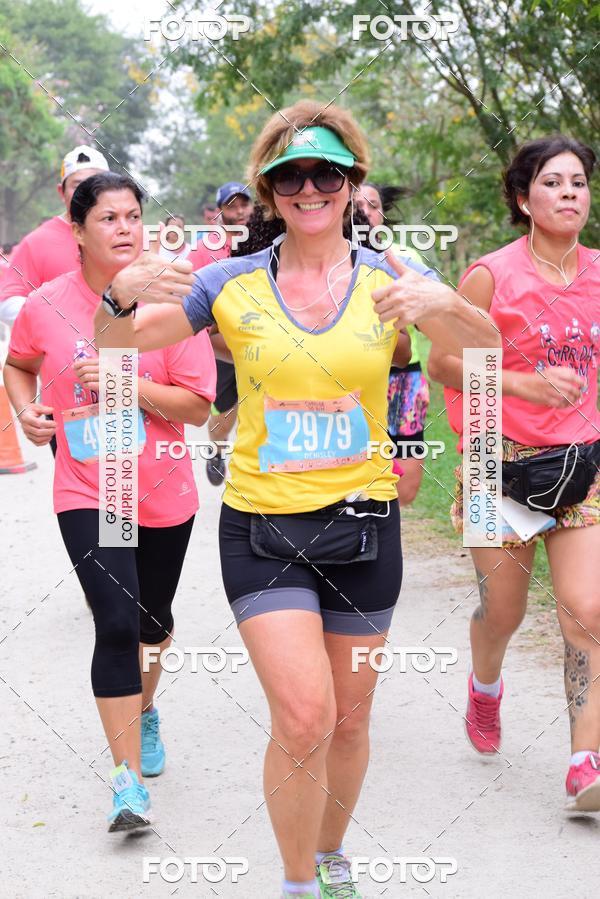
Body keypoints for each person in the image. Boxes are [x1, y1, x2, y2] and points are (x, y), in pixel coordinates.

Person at [93, 100, 498, 897]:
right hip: (263, 530)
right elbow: (116, 350)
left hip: (366, 528)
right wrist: (117, 297)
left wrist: (446, 305)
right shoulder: (229, 282)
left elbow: (482, 352)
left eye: (326, 173)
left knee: (348, 722)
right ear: (270, 191)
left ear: (352, 184)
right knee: (306, 715)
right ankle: (295, 881)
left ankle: (330, 851)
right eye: (289, 176)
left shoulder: (393, 278)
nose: (309, 188)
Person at [3, 172, 216, 832]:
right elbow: (19, 363)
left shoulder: (174, 305)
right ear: (77, 231)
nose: (125, 228)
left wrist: (129, 383)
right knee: (117, 622)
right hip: (89, 485)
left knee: (153, 622)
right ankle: (127, 783)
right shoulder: (45, 303)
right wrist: (27, 411)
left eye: (133, 216)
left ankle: (145, 709)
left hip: (162, 487)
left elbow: (199, 403)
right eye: (109, 218)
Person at [428, 135, 600, 812]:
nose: (568, 193)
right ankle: (486, 684)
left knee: (587, 611)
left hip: (582, 468)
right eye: (552, 183)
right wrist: (524, 386)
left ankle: (586, 760)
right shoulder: (490, 276)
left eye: (579, 182)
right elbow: (441, 365)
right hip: (495, 466)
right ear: (523, 198)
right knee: (503, 611)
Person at [357, 182, 431, 505]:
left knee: (406, 489)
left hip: (403, 379)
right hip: (350, 379)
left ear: (383, 214)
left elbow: (435, 312)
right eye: (356, 205)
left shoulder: (404, 257)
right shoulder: (327, 259)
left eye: (372, 205)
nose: (365, 212)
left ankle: (386, 547)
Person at [188, 182, 254, 486]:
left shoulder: (267, 239)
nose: (239, 211)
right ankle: (216, 449)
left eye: (244, 204)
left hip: (264, 337)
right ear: (220, 212)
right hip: (221, 340)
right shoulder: (206, 249)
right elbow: (193, 294)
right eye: (232, 205)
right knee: (225, 411)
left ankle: (257, 469)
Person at [0, 145, 110, 326]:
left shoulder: (125, 235)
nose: (87, 192)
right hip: (62, 352)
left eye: (96, 184)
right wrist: (58, 317)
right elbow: (7, 302)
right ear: (61, 192)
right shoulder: (38, 242)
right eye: (78, 185)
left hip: (117, 350)